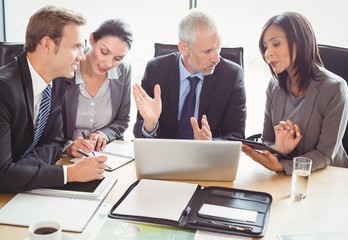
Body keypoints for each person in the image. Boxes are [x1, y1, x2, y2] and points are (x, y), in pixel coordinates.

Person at [0, 6, 107, 193]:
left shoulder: (56, 82)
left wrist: (22, 169)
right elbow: (2, 176)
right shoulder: (4, 90)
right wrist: (69, 174)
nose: (82, 57)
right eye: (76, 47)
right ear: (47, 45)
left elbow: (55, 142)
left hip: (20, 190)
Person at [242, 12, 348, 175]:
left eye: (276, 44)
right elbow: (267, 140)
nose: (268, 53)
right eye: (265, 46)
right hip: (286, 179)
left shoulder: (335, 88)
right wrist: (278, 150)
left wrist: (282, 166)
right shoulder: (274, 85)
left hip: (329, 177)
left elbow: (325, 155)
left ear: (299, 43)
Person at [132, 9, 246, 140]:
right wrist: (150, 124)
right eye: (207, 51)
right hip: (165, 156)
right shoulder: (156, 70)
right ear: (184, 48)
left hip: (207, 158)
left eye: (218, 48)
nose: (216, 58)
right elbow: (139, 131)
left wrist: (210, 143)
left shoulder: (231, 75)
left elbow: (237, 135)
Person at [62, 19, 133, 158]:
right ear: (92, 39)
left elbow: (122, 120)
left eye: (118, 58)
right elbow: (49, 128)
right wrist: (68, 146)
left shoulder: (123, 70)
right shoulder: (66, 68)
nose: (108, 63)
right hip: (68, 159)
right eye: (104, 52)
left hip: (108, 155)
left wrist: (104, 134)